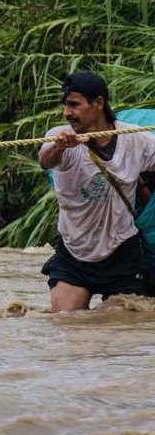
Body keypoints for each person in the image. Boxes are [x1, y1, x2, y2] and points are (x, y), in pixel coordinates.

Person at [39, 71, 155, 312]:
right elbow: (45, 160)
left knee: (124, 337)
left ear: (99, 103)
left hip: (123, 253)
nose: (67, 112)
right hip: (74, 256)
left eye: (74, 105)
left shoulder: (134, 137)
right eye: (65, 105)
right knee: (68, 327)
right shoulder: (57, 138)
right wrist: (60, 147)